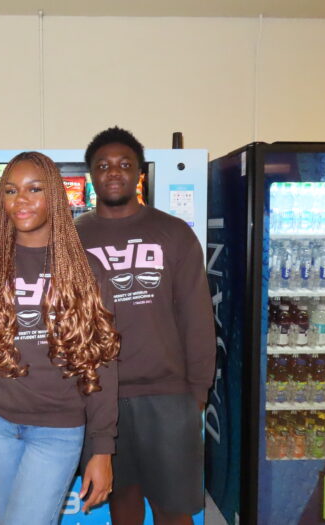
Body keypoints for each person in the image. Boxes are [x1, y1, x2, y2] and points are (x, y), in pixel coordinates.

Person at [0, 151, 120, 525]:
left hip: (58, 430)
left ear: (54, 196)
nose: (20, 200)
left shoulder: (87, 271)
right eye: (10, 191)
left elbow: (102, 363)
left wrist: (102, 449)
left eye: (33, 189)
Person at [75, 127, 216, 525]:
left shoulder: (173, 233)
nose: (113, 172)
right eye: (103, 165)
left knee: (174, 509)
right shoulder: (71, 238)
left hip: (168, 394)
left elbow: (196, 315)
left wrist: (198, 390)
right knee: (122, 501)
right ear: (92, 175)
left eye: (124, 164)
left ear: (140, 173)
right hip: (100, 395)